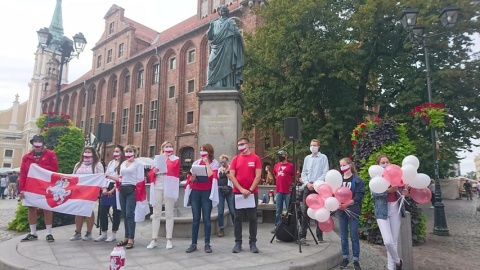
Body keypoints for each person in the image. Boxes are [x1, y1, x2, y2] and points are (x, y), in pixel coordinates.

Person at [18, 134, 59, 242]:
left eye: (39, 141)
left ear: (43, 143)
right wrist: (21, 189)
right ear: (32, 143)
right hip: (30, 186)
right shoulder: (27, 157)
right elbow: (23, 173)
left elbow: (54, 169)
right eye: (35, 141)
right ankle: (33, 233)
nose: (37, 143)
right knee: (31, 209)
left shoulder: (50, 154)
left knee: (47, 208)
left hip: (45, 186)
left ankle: (49, 233)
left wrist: (39, 167)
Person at [372, 154, 407, 270]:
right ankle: (398, 261)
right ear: (378, 165)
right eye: (383, 162)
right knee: (387, 241)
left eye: (387, 162)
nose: (386, 164)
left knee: (394, 241)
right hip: (382, 210)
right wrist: (388, 190)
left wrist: (405, 192)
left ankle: (391, 268)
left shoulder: (396, 175)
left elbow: (403, 191)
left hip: (395, 209)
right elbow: (375, 194)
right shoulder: (376, 178)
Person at [229, 137, 262, 253]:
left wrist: (250, 190)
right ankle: (238, 243)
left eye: (242, 144)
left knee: (253, 218)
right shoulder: (235, 159)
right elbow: (231, 175)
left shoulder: (255, 158)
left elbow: (258, 176)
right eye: (238, 144)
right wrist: (242, 189)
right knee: (238, 218)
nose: (240, 146)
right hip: (238, 193)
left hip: (252, 193)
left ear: (248, 145)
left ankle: (253, 242)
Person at [185, 143, 219, 253]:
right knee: (195, 218)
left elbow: (211, 176)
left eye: (204, 150)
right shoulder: (195, 163)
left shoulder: (214, 163)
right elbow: (190, 178)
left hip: (207, 192)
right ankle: (193, 244)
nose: (202, 153)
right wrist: (193, 178)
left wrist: (207, 163)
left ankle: (207, 243)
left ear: (209, 152)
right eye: (201, 150)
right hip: (195, 192)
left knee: (206, 218)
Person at [147, 141, 180, 250]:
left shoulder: (175, 159)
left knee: (169, 214)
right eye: (166, 146)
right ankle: (153, 239)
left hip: (169, 187)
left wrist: (166, 159)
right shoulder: (156, 160)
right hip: (158, 187)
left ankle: (169, 239)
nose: (169, 148)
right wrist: (154, 171)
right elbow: (150, 174)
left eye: (170, 147)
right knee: (156, 213)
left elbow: (173, 170)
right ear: (162, 148)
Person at [205, 5, 245, 88]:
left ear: (226, 12)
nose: (221, 11)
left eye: (223, 10)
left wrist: (237, 36)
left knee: (227, 65)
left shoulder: (230, 22)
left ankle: (227, 84)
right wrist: (209, 30)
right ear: (219, 12)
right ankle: (211, 83)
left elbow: (237, 33)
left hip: (227, 46)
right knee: (211, 62)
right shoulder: (214, 23)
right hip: (216, 47)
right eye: (220, 10)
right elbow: (210, 36)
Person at [70, 147, 104, 241]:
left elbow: (100, 177)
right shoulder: (78, 164)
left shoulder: (97, 165)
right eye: (85, 152)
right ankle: (78, 232)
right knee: (78, 211)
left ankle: (89, 232)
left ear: (93, 154)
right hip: (78, 190)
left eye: (89, 152)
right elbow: (73, 176)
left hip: (90, 191)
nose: (87, 153)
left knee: (88, 210)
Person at [338, 157, 365, 270]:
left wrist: (348, 204)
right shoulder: (338, 180)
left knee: (354, 236)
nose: (342, 167)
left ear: (349, 165)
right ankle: (345, 258)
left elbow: (359, 195)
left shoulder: (357, 180)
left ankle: (355, 260)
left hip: (353, 210)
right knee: (343, 236)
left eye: (344, 165)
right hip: (341, 211)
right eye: (340, 166)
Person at [300, 139, 329, 243]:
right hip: (308, 186)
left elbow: (325, 172)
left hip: (319, 187)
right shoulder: (307, 158)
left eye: (315, 145)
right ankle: (303, 234)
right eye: (311, 145)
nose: (313, 147)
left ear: (319, 146)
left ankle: (319, 235)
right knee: (305, 210)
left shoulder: (323, 157)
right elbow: (304, 173)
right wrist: (307, 183)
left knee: (319, 210)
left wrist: (316, 183)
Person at [95, 145, 125, 242]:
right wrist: (104, 188)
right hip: (107, 185)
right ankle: (104, 232)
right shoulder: (111, 162)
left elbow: (121, 178)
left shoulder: (123, 164)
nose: (115, 153)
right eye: (114, 151)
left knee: (116, 212)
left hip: (117, 187)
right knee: (103, 211)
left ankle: (113, 233)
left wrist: (113, 189)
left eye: (117, 151)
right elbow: (105, 176)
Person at [116, 145, 144, 249]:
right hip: (122, 189)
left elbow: (140, 178)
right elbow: (120, 177)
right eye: (126, 151)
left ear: (135, 153)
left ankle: (131, 238)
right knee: (124, 214)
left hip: (132, 189)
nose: (128, 153)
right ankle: (126, 236)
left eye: (130, 151)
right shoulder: (123, 163)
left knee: (129, 214)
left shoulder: (138, 164)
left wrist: (138, 190)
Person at [272, 150, 294, 233]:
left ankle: (288, 226)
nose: (280, 156)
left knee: (288, 210)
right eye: (279, 155)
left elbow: (294, 176)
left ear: (286, 155)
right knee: (278, 210)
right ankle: (277, 226)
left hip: (288, 191)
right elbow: (275, 175)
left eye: (281, 154)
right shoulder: (276, 166)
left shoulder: (291, 166)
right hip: (279, 190)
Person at [217, 154, 234, 237]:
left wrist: (227, 171)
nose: (223, 163)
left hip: (229, 190)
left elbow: (232, 178)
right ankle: (221, 228)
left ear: (227, 161)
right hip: (220, 190)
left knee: (232, 210)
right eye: (221, 161)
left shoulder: (231, 168)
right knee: (220, 211)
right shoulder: (219, 169)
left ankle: (236, 227)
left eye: (224, 161)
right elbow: (217, 179)